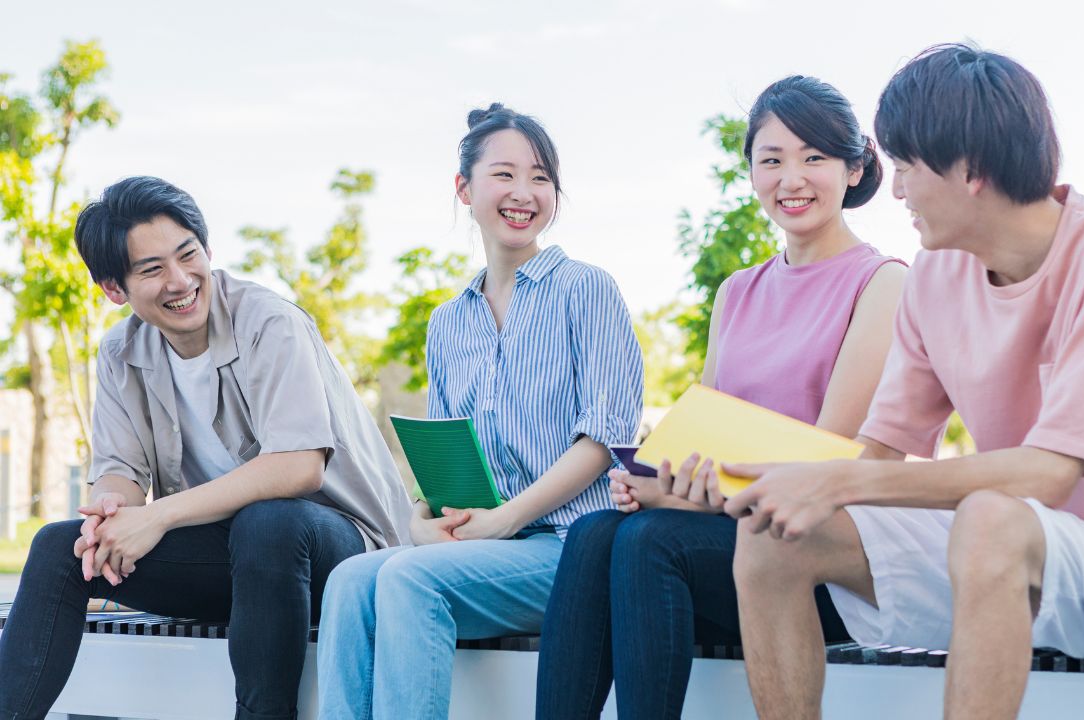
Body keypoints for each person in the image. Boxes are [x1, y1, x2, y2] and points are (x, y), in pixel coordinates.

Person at [725, 44, 1084, 720]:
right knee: (771, 537)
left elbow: (1049, 477)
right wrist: (757, 481)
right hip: (996, 550)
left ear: (972, 169)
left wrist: (840, 481)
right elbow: (880, 452)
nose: (894, 191)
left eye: (904, 168)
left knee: (991, 516)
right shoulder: (935, 275)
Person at [535, 76, 907, 720]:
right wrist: (649, 474)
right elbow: (701, 431)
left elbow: (830, 465)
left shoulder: (883, 283)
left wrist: (671, 493)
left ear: (853, 168)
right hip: (729, 534)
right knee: (596, 532)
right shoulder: (737, 291)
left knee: (649, 539)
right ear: (752, 173)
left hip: (818, 557)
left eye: (813, 157)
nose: (791, 178)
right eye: (772, 160)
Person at [0, 176, 413, 720]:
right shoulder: (121, 352)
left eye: (187, 254)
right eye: (151, 270)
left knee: (269, 522)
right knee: (61, 548)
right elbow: (120, 470)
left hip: (342, 558)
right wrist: (110, 516)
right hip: (239, 566)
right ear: (114, 289)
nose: (180, 280)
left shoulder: (270, 322)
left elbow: (299, 467)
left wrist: (158, 517)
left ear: (207, 249)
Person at [316, 103, 644, 720]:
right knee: (351, 581)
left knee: (410, 581)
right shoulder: (447, 322)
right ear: (464, 189)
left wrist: (501, 521)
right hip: (488, 548)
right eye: (505, 174)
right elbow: (448, 459)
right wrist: (420, 520)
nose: (524, 192)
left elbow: (605, 439)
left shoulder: (587, 289)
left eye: (541, 177)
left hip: (573, 546)